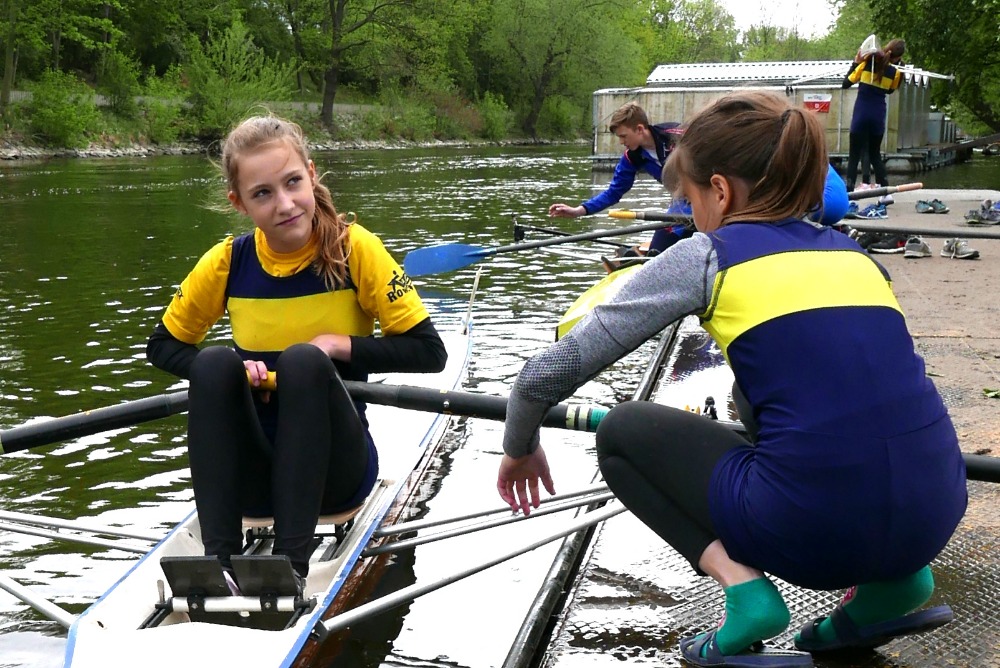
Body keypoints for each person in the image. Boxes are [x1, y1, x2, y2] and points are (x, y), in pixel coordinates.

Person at [496, 91, 966, 667]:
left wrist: (519, 446)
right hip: (936, 511)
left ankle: (746, 594)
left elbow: (542, 378)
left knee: (622, 431)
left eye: (690, 200)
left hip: (811, 534)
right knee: (777, 396)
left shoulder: (706, 254)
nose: (690, 215)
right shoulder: (858, 256)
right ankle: (896, 585)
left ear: (719, 191)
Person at [146, 114, 447, 594]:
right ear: (239, 202)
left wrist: (336, 345)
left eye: (292, 183)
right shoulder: (227, 262)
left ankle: (291, 564)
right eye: (262, 193)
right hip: (253, 481)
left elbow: (430, 352)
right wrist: (236, 370)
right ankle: (218, 562)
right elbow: (162, 346)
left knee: (304, 361)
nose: (285, 204)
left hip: (336, 474)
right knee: (214, 362)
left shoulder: (355, 250)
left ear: (310, 174)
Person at [548, 101, 692, 253]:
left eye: (623, 136)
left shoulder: (677, 136)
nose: (621, 142)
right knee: (656, 251)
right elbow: (613, 193)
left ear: (639, 129)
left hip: (705, 199)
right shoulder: (632, 157)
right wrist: (579, 210)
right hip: (681, 205)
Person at [842, 39, 906, 204]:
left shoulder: (866, 65)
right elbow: (890, 91)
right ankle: (885, 193)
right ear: (898, 57)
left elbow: (846, 83)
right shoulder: (896, 73)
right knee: (875, 154)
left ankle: (849, 195)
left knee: (854, 155)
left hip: (861, 114)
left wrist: (855, 63)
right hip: (878, 115)